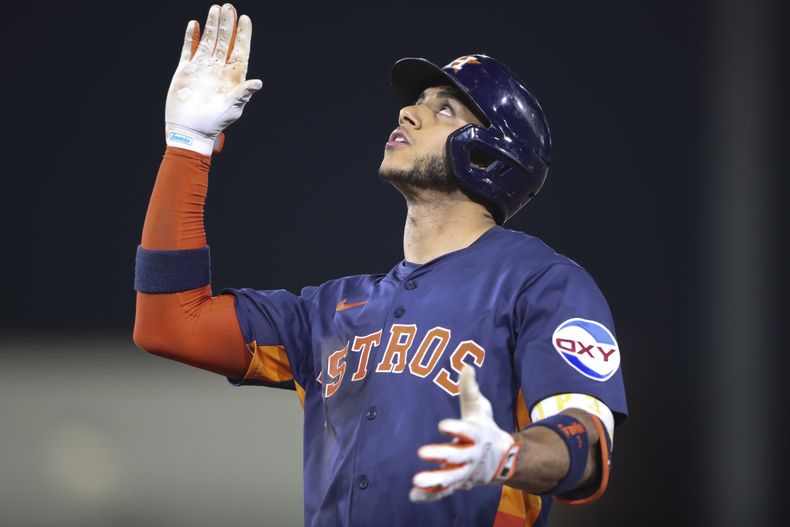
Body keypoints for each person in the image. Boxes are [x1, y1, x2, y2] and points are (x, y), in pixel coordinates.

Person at [133, 4, 628, 526]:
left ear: (489, 158)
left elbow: (585, 446)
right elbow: (169, 323)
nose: (408, 113)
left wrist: (509, 456)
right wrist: (188, 147)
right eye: (416, 102)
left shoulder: (542, 283)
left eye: (445, 110)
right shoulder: (329, 311)